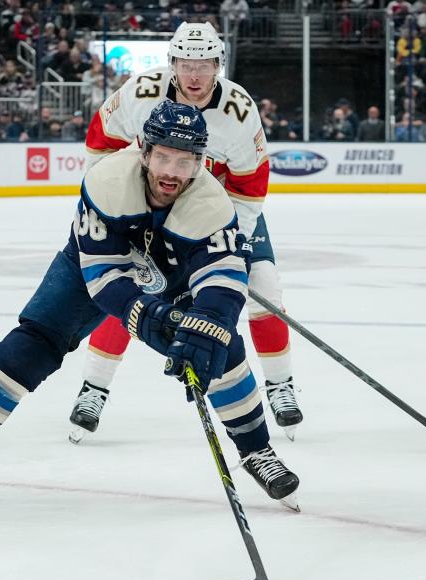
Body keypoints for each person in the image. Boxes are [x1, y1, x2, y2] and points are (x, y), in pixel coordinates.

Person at [0, 101, 300, 510]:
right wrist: (147, 316)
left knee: (220, 347)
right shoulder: (107, 181)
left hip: (173, 271)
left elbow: (225, 278)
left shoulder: (213, 205)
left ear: (200, 162)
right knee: (32, 343)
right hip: (95, 268)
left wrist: (211, 322)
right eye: (163, 157)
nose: (170, 172)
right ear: (145, 151)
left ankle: (257, 451)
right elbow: (103, 280)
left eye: (184, 162)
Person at [68, 22, 303, 444]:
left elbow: (250, 183)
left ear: (219, 64)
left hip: (220, 211)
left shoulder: (238, 109)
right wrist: (113, 205)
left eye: (205, 64)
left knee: (263, 283)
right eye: (186, 63)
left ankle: (280, 385)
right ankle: (93, 388)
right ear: (172, 63)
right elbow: (100, 140)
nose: (195, 75)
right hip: (150, 207)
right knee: (130, 288)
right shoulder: (141, 93)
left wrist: (232, 243)